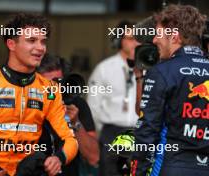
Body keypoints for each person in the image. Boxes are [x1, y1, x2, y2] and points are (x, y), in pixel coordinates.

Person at [0, 13, 78, 176]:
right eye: (32, 40)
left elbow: (70, 139)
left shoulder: (50, 89)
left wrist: (59, 158)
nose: (40, 48)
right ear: (11, 44)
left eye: (43, 41)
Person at [131, 4, 208, 176]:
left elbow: (147, 131)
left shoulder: (161, 71)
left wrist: (138, 172)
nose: (154, 40)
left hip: (174, 166)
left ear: (174, 37)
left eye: (158, 34)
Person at [87, 21, 140, 176]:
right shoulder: (104, 69)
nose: (136, 43)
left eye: (138, 39)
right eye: (130, 38)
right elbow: (93, 105)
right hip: (112, 133)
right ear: (118, 41)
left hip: (140, 133)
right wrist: (99, 134)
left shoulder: (148, 68)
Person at [37, 53, 99, 176]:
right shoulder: (24, 103)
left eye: (57, 84)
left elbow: (94, 157)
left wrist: (75, 123)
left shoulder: (74, 104)